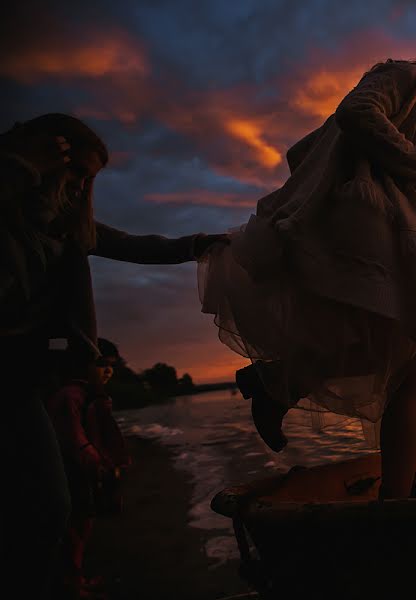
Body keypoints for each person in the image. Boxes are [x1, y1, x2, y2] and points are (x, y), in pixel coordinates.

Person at [200, 50, 416, 499]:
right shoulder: (406, 77)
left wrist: (340, 176)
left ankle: (279, 387)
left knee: (404, 363)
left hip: (376, 231)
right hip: (375, 231)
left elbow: (302, 152)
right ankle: (394, 498)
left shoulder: (405, 99)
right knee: (408, 360)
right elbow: (355, 111)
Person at [0, 113, 224, 596]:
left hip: (23, 380)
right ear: (42, 158)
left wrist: (198, 244)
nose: (82, 187)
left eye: (91, 179)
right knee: (41, 504)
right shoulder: (10, 206)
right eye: (77, 172)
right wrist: (17, 171)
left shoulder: (64, 225)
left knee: (51, 504)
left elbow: (135, 245)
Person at [45, 338, 130, 599]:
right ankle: (71, 583)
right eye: (102, 364)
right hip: (72, 470)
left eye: (112, 366)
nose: (108, 371)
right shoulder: (71, 395)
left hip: (83, 469)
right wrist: (98, 463)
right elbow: (74, 437)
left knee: (85, 522)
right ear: (81, 365)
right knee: (75, 526)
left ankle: (76, 577)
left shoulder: (89, 395)